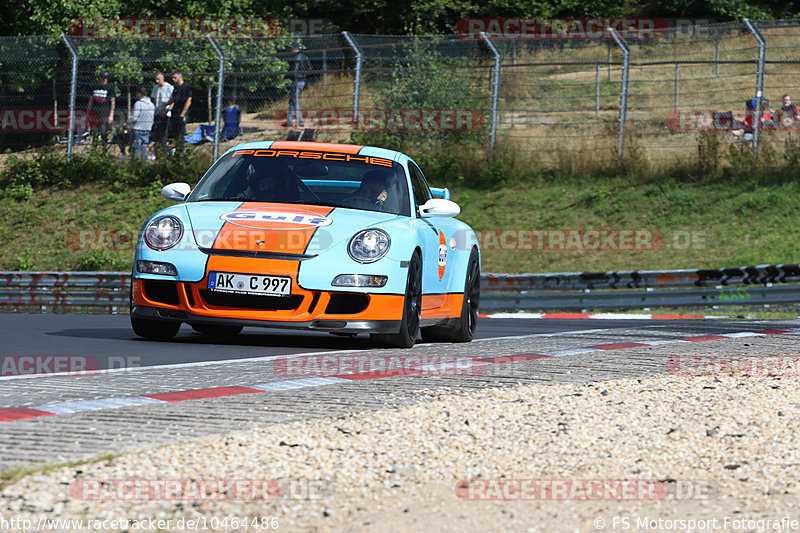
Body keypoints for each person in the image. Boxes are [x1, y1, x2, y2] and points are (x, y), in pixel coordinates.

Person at [283, 42, 312, 128]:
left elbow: (294, 70)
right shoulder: (305, 56)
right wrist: (303, 75)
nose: (290, 49)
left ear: (295, 48)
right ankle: (292, 121)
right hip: (302, 81)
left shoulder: (295, 57)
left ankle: (294, 121)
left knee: (294, 101)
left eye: (291, 48)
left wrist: (286, 76)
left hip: (296, 81)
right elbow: (310, 68)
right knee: (295, 100)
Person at [162, 71, 192, 151]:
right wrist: (165, 106)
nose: (173, 79)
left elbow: (189, 100)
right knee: (171, 132)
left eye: (175, 77)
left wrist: (183, 114)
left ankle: (180, 151)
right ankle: (172, 149)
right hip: (174, 113)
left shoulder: (186, 86)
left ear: (180, 77)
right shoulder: (176, 88)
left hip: (181, 113)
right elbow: (173, 99)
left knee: (180, 133)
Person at [126, 87, 155, 162]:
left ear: (139, 94)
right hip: (147, 129)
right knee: (144, 148)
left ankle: (136, 164)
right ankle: (144, 165)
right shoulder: (152, 105)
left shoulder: (138, 104)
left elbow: (134, 117)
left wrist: (128, 121)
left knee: (136, 149)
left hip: (138, 129)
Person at [86, 71, 115, 146]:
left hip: (105, 112)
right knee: (95, 131)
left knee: (103, 130)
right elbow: (91, 100)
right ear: (100, 78)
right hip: (95, 112)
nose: (105, 79)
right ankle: (94, 148)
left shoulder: (110, 88)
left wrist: (111, 115)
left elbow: (112, 102)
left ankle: (104, 147)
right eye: (103, 78)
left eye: (106, 78)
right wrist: (88, 112)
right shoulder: (95, 87)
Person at [150, 71, 173, 152]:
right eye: (156, 79)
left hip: (166, 114)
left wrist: (167, 111)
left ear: (163, 78)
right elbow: (154, 100)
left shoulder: (169, 87)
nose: (157, 81)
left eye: (158, 79)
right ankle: (157, 150)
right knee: (156, 134)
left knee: (164, 134)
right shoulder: (155, 87)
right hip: (157, 113)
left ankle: (164, 150)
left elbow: (173, 101)